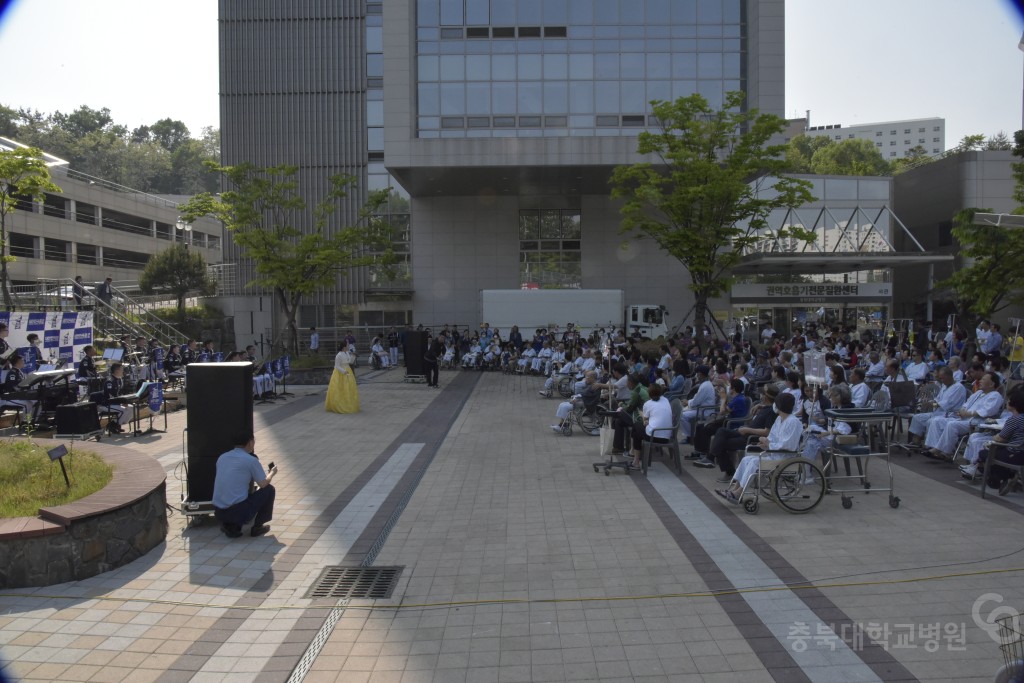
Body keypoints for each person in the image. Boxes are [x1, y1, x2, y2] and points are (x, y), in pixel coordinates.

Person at [716, 392, 803, 503]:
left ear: (779, 405)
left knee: (754, 463)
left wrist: (769, 444)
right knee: (746, 459)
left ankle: (738, 493)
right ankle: (734, 489)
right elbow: (772, 437)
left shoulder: (794, 422)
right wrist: (764, 442)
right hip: (773, 453)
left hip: (784, 457)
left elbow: (789, 445)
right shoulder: (779, 419)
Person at [212, 432, 277, 538]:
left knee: (238, 495)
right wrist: (272, 473)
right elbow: (263, 483)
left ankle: (231, 525)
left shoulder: (222, 457)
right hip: (237, 511)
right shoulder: (251, 460)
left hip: (218, 512)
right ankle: (258, 527)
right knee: (269, 490)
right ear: (250, 442)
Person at [325, 340, 359, 413]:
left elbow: (350, 362)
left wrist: (353, 356)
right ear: (344, 347)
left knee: (348, 387)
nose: (348, 346)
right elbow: (336, 366)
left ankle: (348, 403)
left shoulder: (347, 353)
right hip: (340, 373)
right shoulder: (339, 355)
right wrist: (343, 371)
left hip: (348, 371)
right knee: (340, 387)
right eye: (347, 345)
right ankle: (338, 404)